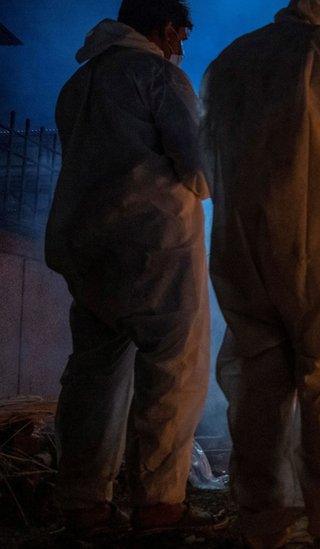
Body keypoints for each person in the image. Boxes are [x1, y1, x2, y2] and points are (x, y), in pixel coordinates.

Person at [201, 0, 320, 546]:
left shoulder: (229, 61)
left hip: (242, 245)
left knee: (257, 380)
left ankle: (262, 516)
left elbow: (204, 154)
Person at [45, 0, 218, 535]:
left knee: (95, 375)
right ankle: (159, 506)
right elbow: (198, 167)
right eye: (180, 36)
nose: (182, 48)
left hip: (87, 250)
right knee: (173, 372)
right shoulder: (159, 76)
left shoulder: (78, 86)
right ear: (166, 29)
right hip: (154, 247)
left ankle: (83, 503)